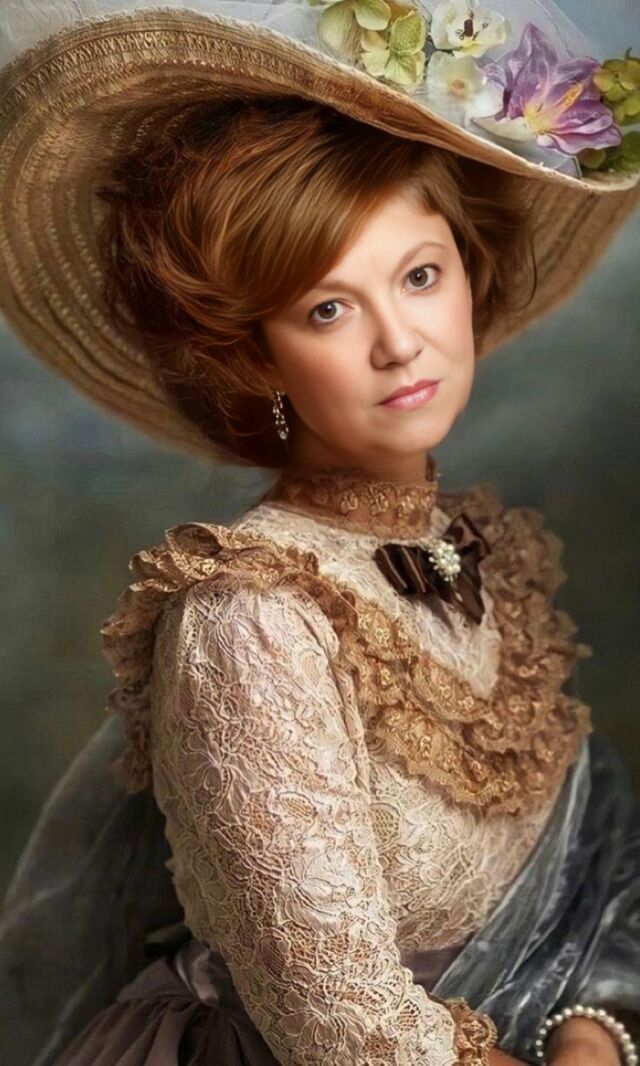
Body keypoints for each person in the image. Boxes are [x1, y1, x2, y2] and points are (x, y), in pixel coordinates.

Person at [0, 1, 639, 1064]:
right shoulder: (248, 622)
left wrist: (592, 1035)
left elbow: (589, 879)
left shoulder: (475, 556)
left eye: (419, 275)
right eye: (328, 309)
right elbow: (343, 1027)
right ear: (256, 356)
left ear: (469, 271)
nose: (400, 343)